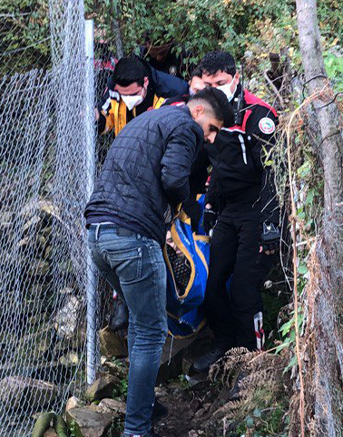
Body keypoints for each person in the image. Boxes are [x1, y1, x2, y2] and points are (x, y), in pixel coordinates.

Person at [85, 88, 234, 437]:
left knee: (141, 322)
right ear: (199, 111)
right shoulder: (184, 126)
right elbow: (172, 177)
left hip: (98, 236)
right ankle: (137, 429)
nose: (209, 138)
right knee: (152, 332)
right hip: (133, 239)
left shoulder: (148, 121)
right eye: (211, 129)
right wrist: (190, 207)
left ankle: (144, 404)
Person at [192, 51, 283, 373]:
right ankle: (225, 342)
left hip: (258, 208)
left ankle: (254, 359)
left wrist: (271, 222)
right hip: (228, 209)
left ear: (235, 78)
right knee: (211, 283)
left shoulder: (258, 114)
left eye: (221, 82)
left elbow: (274, 171)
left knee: (244, 287)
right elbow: (217, 166)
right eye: (209, 83)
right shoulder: (207, 113)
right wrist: (212, 209)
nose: (216, 87)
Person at [98, 56, 189, 136]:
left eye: (134, 94)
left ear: (145, 81)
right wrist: (96, 117)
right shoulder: (114, 86)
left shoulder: (172, 92)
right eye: (123, 95)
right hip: (125, 147)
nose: (128, 99)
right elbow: (106, 117)